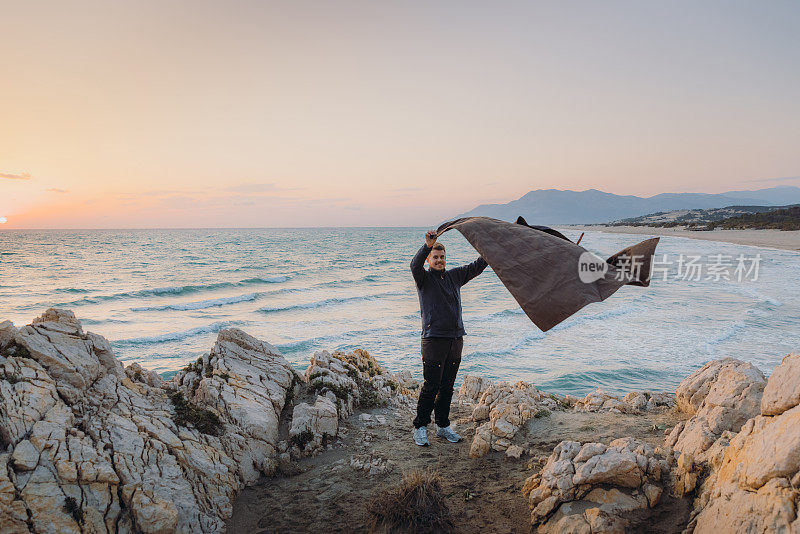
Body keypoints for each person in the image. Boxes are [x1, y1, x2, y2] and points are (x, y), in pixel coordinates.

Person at [410, 229, 488, 446]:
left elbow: (476, 267)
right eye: (435, 257)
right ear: (429, 260)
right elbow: (413, 265)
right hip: (433, 340)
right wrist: (427, 244)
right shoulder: (423, 278)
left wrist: (491, 251)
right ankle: (420, 426)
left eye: (442, 257)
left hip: (455, 339)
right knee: (431, 386)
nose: (439, 260)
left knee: (447, 386)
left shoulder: (454, 276)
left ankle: (443, 426)